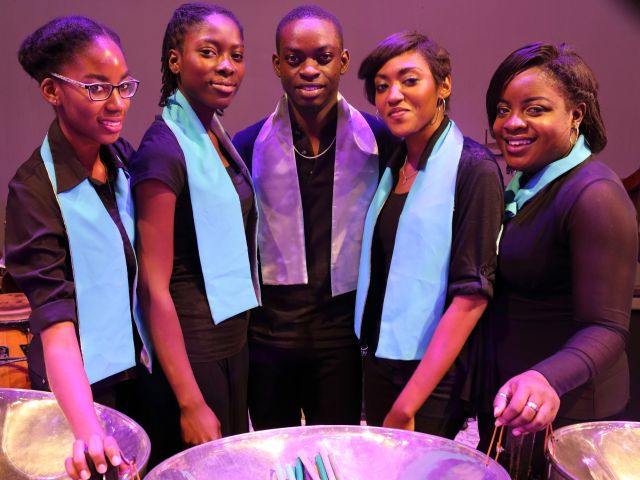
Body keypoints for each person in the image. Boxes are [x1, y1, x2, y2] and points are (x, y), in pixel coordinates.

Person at [233, 5, 398, 429]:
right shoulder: (247, 144)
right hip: (269, 337)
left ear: (343, 61)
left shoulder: (379, 140)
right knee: (275, 452)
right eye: (294, 59)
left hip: (341, 338)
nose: (309, 70)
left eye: (323, 57)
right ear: (277, 64)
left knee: (336, 450)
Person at [478, 42, 638, 478]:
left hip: (569, 412)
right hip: (518, 403)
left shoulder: (595, 195)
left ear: (576, 115)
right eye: (503, 109)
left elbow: (607, 329)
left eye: (535, 109)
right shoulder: (526, 183)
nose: (511, 123)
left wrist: (545, 378)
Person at [5, 16, 151, 480]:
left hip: (140, 373)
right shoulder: (33, 191)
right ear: (52, 91)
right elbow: (56, 325)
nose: (117, 102)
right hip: (82, 392)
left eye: (123, 85)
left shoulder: (122, 158)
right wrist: (89, 431)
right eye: (96, 87)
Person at [354, 32, 504, 438]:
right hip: (381, 361)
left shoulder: (474, 168)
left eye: (409, 80)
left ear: (444, 86)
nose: (393, 96)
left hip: (431, 378)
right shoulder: (393, 165)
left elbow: (471, 297)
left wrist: (408, 404)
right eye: (381, 86)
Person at [130, 2, 259, 464]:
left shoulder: (211, 133)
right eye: (209, 52)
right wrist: (189, 401)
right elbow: (153, 287)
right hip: (191, 353)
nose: (227, 66)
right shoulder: (163, 149)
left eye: (236, 55)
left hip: (231, 343)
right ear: (174, 60)